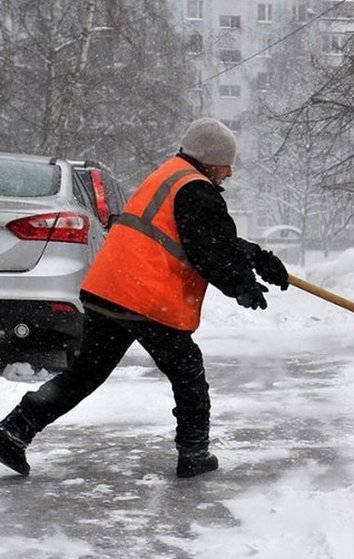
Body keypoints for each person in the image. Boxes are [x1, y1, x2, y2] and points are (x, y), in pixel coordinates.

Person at [0, 118, 289, 478]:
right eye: (226, 163)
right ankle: (193, 453)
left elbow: (206, 238)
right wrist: (241, 285)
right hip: (144, 297)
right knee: (188, 373)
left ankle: (14, 430)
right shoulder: (196, 189)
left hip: (110, 290)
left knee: (85, 374)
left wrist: (259, 260)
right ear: (210, 159)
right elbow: (210, 249)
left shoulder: (170, 177)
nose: (229, 172)